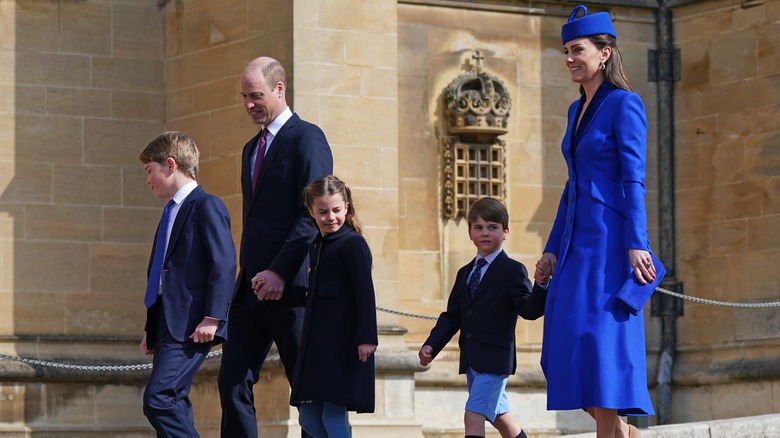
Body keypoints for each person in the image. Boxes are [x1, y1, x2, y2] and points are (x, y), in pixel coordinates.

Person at [534, 4, 658, 438]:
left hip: (610, 245)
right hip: (573, 246)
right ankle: (624, 433)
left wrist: (637, 243)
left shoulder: (626, 104)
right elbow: (573, 185)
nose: (570, 58)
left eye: (578, 50)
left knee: (600, 355)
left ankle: (617, 431)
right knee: (562, 350)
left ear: (604, 53)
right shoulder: (574, 111)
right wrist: (551, 247)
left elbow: (634, 180)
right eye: (566, 50)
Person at [218, 56, 334, 438]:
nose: (249, 104)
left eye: (256, 95)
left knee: (309, 389)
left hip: (293, 287)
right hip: (250, 290)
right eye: (244, 97)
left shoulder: (308, 137)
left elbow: (312, 213)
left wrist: (281, 270)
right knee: (231, 381)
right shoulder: (250, 149)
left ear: (279, 89)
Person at [418, 197, 546, 438]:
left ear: (505, 232)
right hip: (472, 360)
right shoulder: (465, 273)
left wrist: (541, 285)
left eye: (492, 227)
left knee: (473, 415)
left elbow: (529, 310)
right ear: (470, 233)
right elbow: (452, 316)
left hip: (495, 362)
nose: (485, 233)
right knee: (501, 419)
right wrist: (431, 345)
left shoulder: (512, 270)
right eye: (479, 227)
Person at [138, 131, 237, 436]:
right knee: (175, 400)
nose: (148, 179)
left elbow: (224, 262)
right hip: (167, 324)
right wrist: (152, 329)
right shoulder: (170, 211)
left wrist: (213, 316)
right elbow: (163, 275)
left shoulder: (207, 205)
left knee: (159, 399)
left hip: (191, 324)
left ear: (169, 164)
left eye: (149, 171)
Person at [289, 175, 378, 437]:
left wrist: (366, 338)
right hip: (317, 346)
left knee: (332, 415)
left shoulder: (353, 244)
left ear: (347, 207)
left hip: (343, 345)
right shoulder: (318, 244)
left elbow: (365, 294)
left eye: (336, 210)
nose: (331, 217)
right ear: (311, 212)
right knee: (308, 417)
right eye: (323, 211)